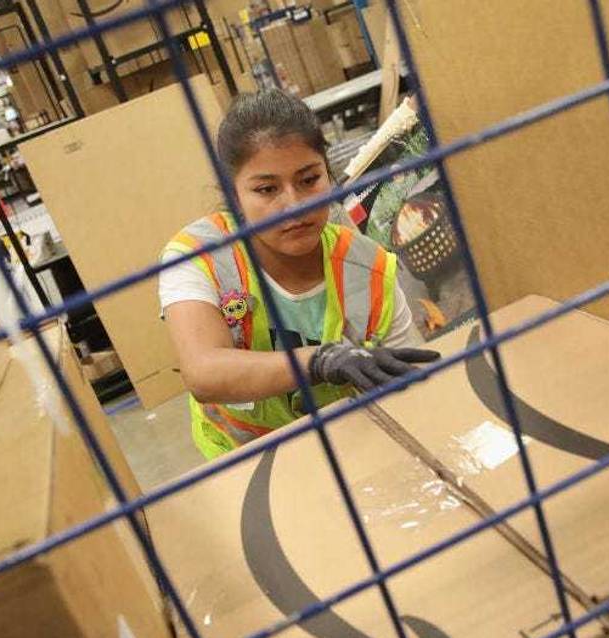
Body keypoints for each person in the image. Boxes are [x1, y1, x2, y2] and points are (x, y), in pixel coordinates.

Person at [159, 89, 440, 459]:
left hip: (348, 444)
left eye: (309, 180)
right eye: (266, 189)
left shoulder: (368, 269)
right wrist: (321, 361)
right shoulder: (198, 255)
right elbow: (202, 372)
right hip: (244, 457)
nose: (294, 205)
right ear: (234, 194)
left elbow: (415, 385)